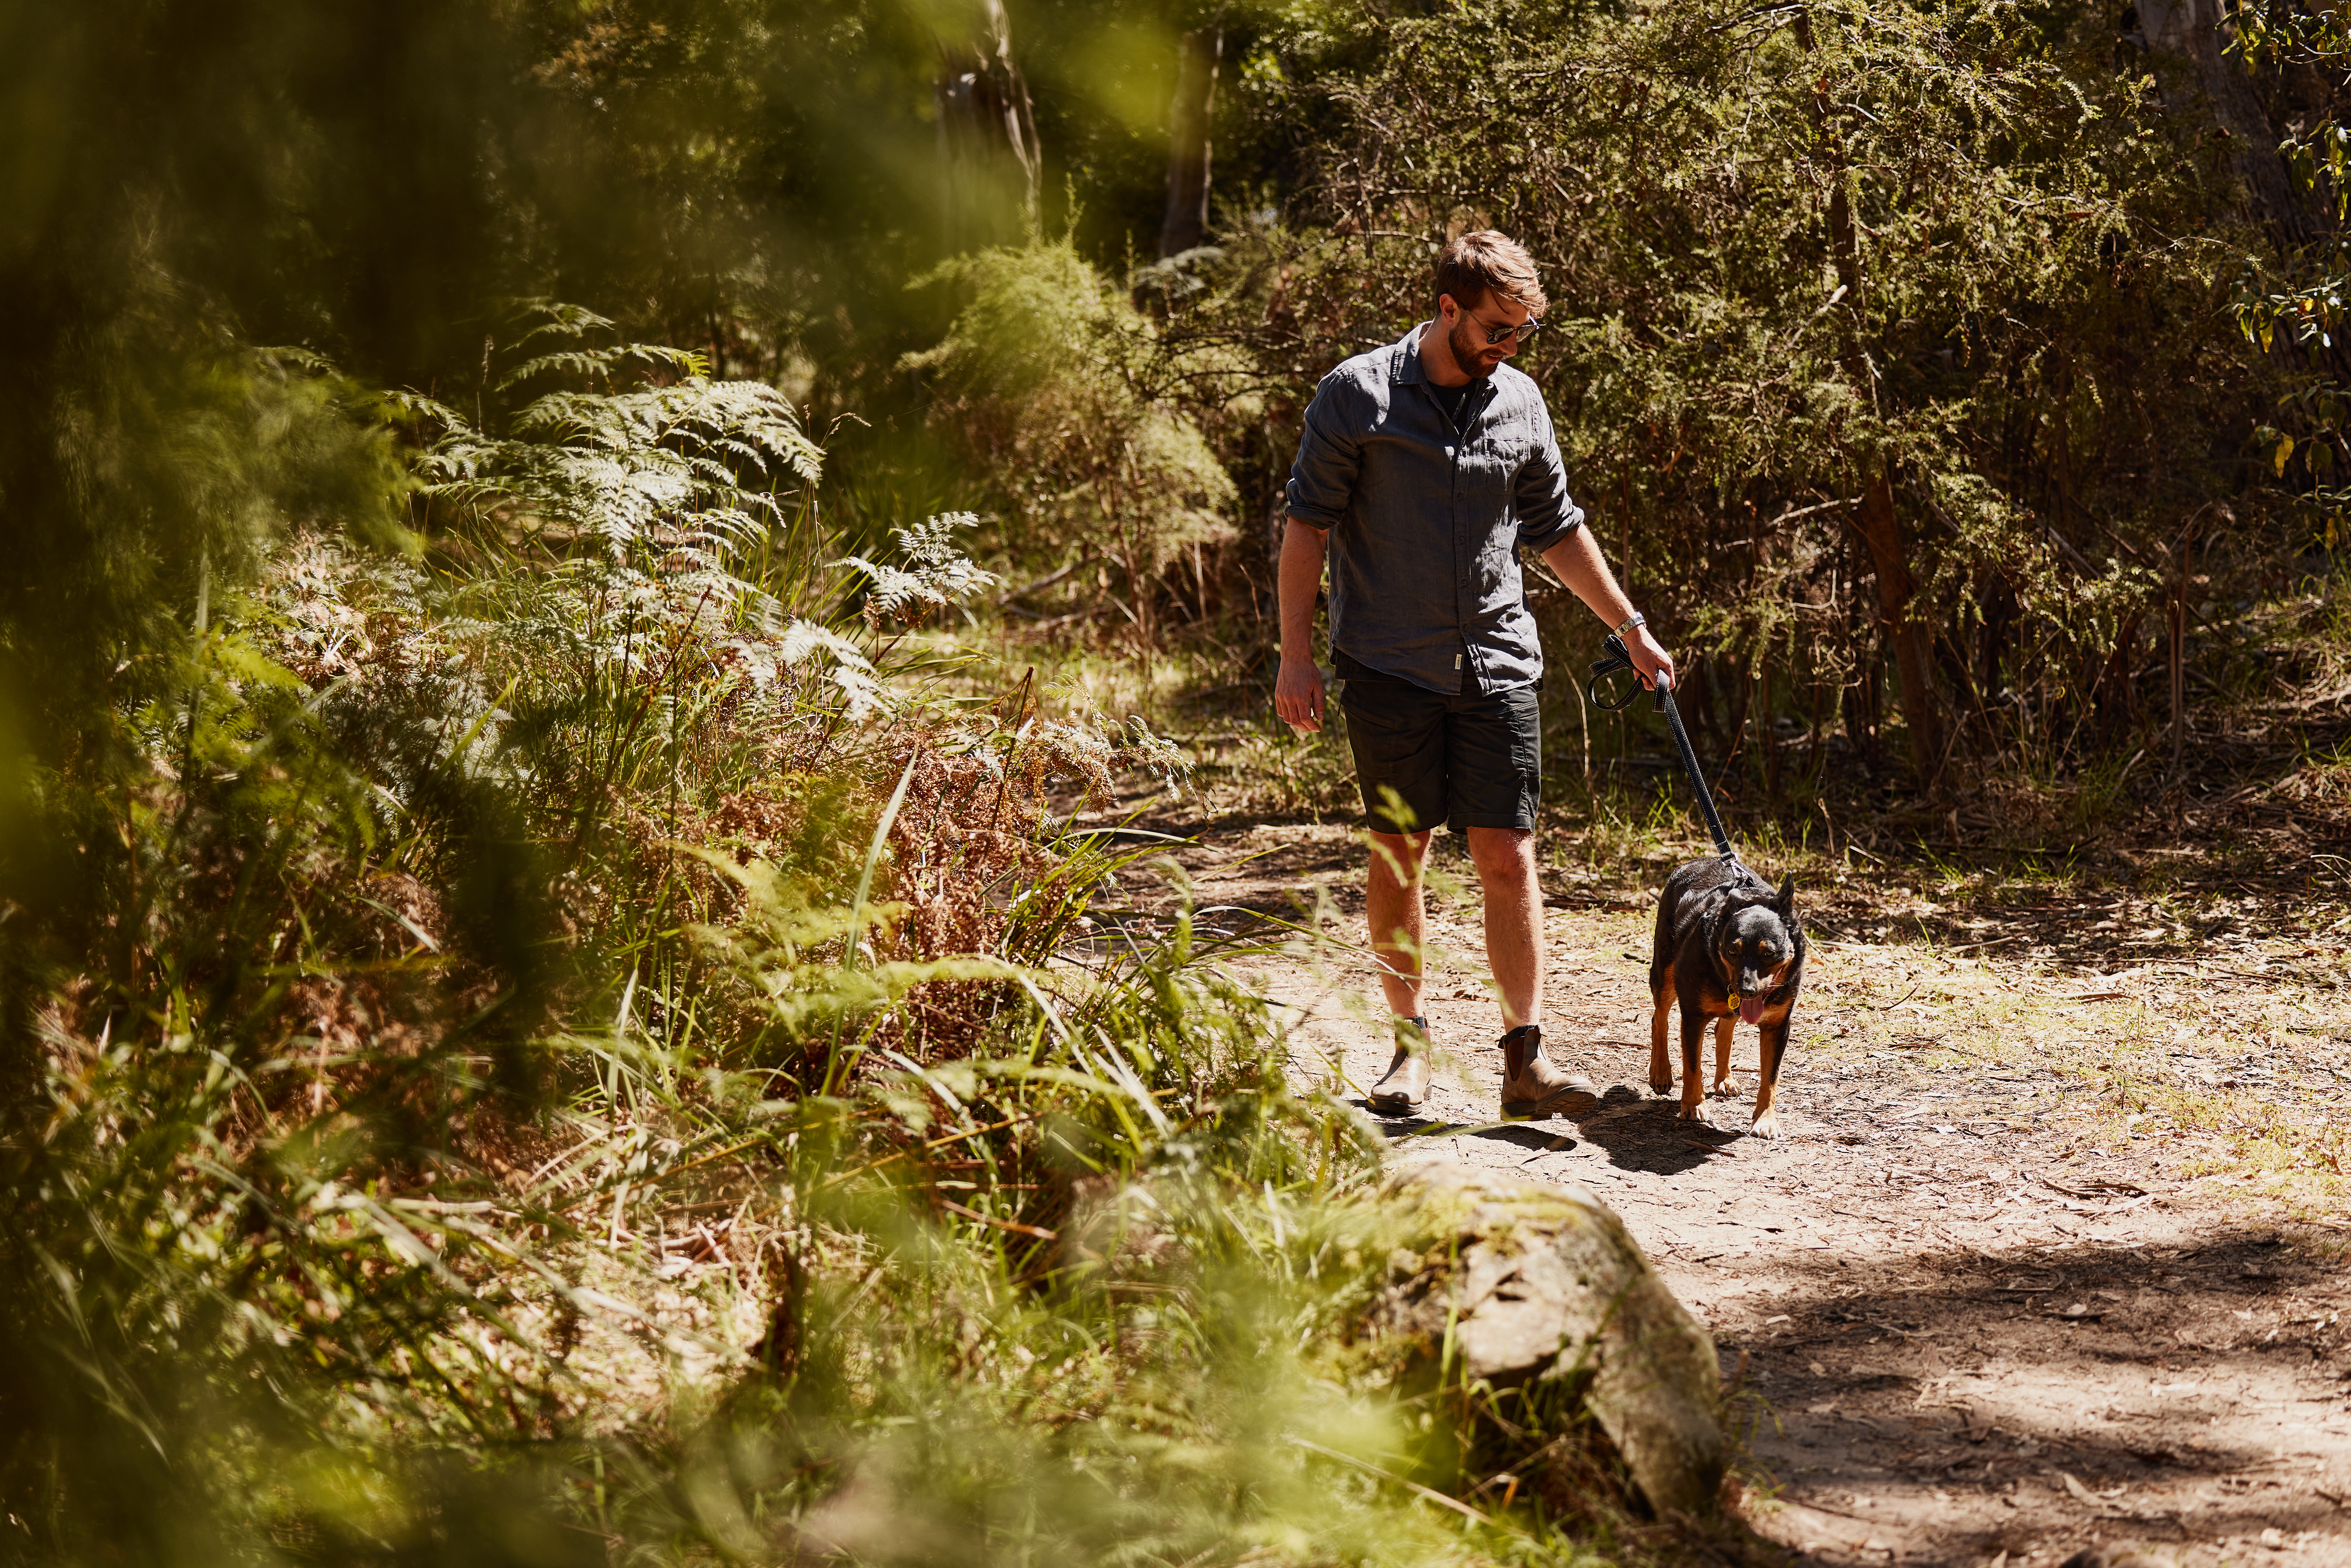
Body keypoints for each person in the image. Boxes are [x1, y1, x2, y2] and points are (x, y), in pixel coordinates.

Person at [1273, 231, 1674, 1118]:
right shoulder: (1358, 396)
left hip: (1496, 662)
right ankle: (1408, 1055)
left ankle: (1524, 1063)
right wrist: (1294, 654)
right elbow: (1306, 526)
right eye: (1496, 329)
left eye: (1522, 332)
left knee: (1507, 854)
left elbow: (1557, 527)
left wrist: (1630, 628)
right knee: (1401, 854)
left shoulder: (1519, 401)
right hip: (1387, 665)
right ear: (1447, 308)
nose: (1508, 347)